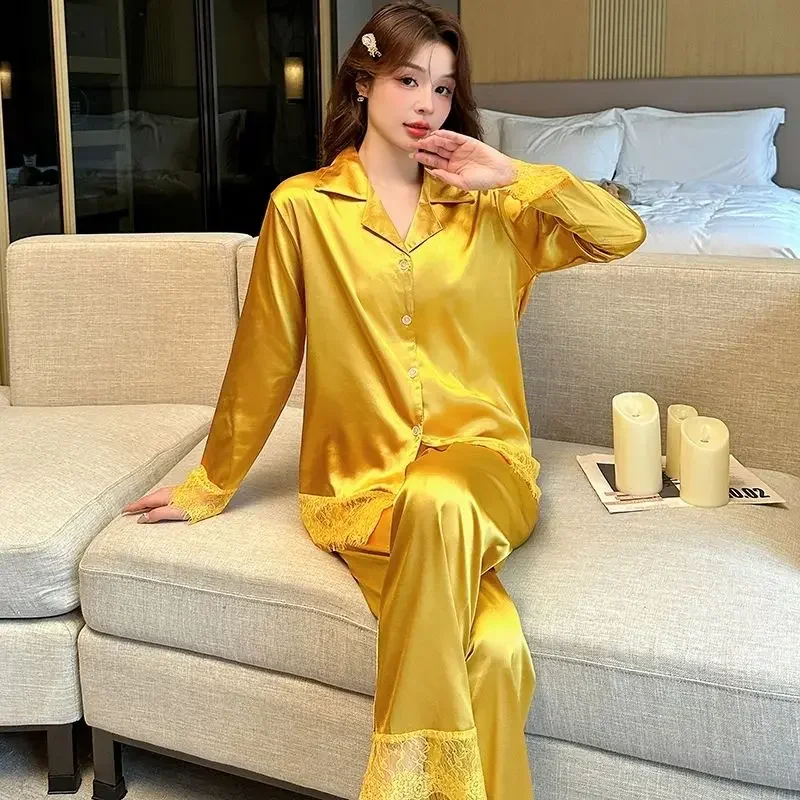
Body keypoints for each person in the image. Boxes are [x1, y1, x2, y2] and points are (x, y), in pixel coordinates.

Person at [122, 1, 647, 797]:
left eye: (443, 87)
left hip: (485, 471)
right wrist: (209, 483)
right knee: (493, 647)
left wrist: (513, 174)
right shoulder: (302, 209)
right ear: (363, 82)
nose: (426, 103)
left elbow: (621, 233)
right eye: (408, 80)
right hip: (361, 489)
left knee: (441, 492)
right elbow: (265, 357)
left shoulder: (494, 209)